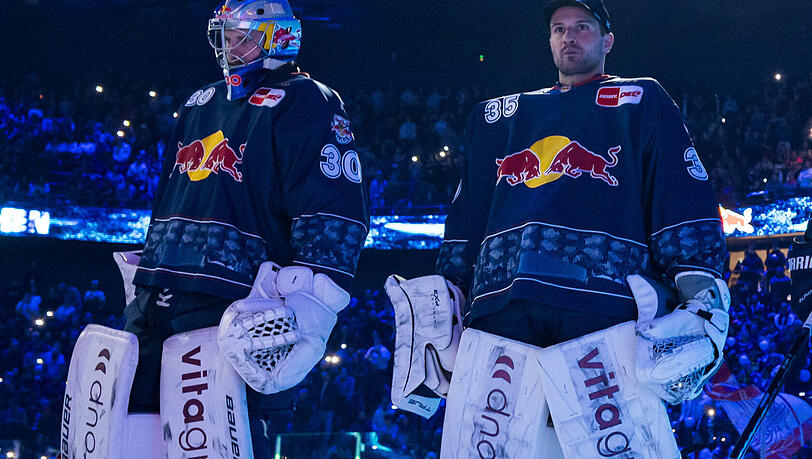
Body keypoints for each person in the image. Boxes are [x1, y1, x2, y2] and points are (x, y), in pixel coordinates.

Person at [386, 1, 729, 457]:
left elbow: (680, 195)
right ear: (549, 42)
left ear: (607, 40)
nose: (569, 36)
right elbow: (468, 215)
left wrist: (702, 292)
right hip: (502, 309)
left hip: (602, 308)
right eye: (559, 29)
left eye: (582, 27)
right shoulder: (498, 117)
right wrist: (450, 292)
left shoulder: (640, 100)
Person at [62, 2, 368, 458]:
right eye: (224, 35)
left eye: (241, 35)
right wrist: (148, 268)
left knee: (222, 435)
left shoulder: (307, 100)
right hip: (159, 296)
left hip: (235, 303)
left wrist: (313, 304)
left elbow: (332, 206)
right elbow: (169, 195)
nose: (229, 46)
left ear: (277, 37)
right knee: (124, 429)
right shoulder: (199, 102)